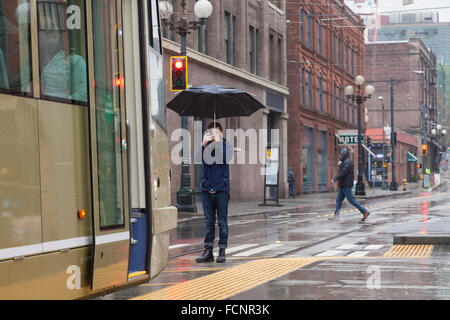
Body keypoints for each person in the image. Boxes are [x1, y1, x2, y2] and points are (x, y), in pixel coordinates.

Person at [195, 122, 233, 263]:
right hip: (206, 189)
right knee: (209, 222)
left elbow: (225, 158)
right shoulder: (206, 147)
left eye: (216, 133)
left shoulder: (226, 146)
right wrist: (203, 145)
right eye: (211, 133)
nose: (213, 135)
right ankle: (208, 251)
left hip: (221, 189)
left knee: (222, 221)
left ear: (221, 134)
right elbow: (197, 159)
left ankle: (222, 250)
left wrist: (219, 143)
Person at [330, 148, 370, 222]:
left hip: (346, 185)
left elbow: (343, 172)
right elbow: (343, 171)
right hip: (343, 185)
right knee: (338, 200)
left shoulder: (347, 162)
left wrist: (335, 178)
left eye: (341, 155)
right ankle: (336, 216)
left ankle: (364, 211)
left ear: (344, 155)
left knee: (351, 200)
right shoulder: (346, 162)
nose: (340, 156)